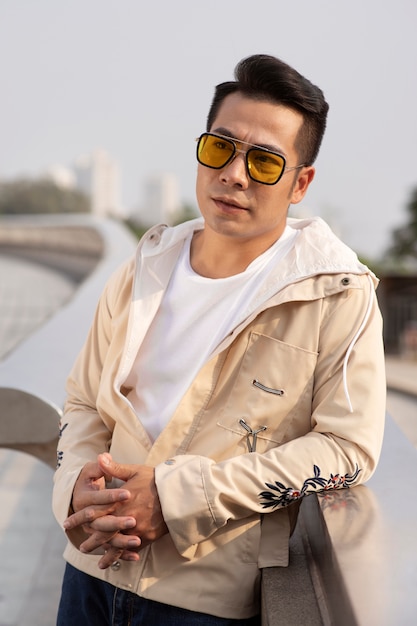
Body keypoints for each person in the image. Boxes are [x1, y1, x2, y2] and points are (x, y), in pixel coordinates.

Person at [53, 54, 386, 625]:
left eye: (264, 162)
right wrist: (75, 492)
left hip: (201, 603)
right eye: (219, 148)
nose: (234, 174)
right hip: (87, 573)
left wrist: (179, 497)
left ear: (301, 183)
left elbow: (348, 450)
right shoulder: (144, 266)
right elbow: (85, 401)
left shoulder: (335, 295)